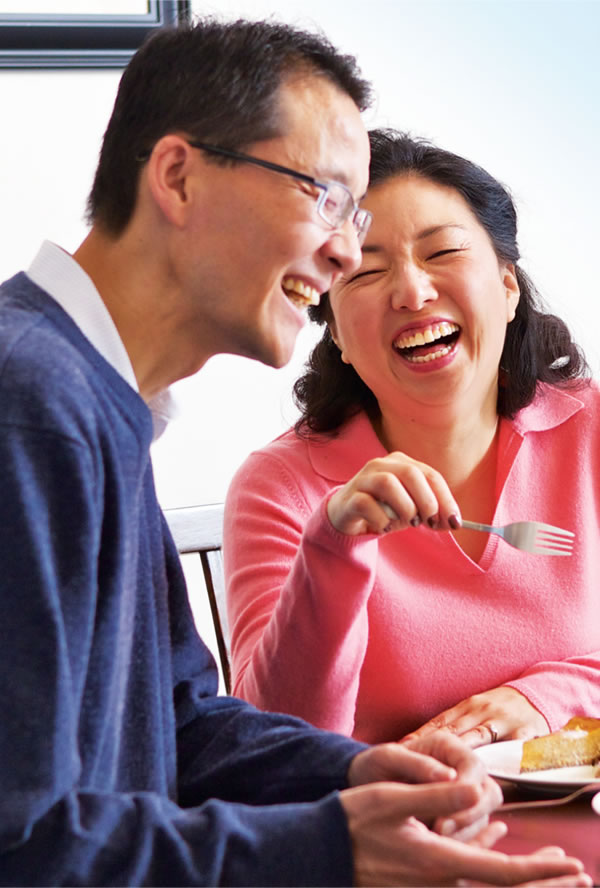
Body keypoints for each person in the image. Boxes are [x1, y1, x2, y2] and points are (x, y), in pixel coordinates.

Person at [0, 16, 590, 884]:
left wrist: (357, 774)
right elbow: (24, 841)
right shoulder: (33, 405)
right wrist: (333, 845)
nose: (347, 250)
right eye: (328, 199)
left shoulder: (95, 399)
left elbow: (187, 719)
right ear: (178, 177)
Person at [224, 127, 600, 753]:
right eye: (365, 270)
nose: (412, 291)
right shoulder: (279, 488)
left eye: (442, 253)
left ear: (507, 287)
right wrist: (334, 542)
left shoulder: (589, 433)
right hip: (397, 836)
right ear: (336, 334)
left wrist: (549, 697)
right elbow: (274, 743)